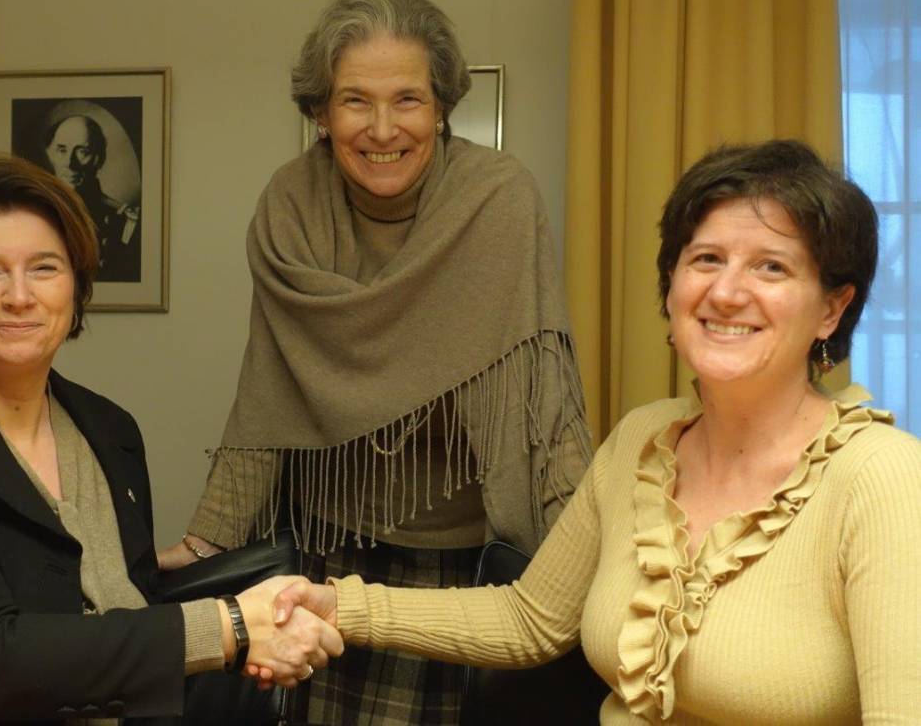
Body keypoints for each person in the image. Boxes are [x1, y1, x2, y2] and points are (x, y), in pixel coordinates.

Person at [268, 140, 921, 723]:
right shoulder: (645, 438)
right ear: (671, 288)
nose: (726, 292)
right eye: (707, 259)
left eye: (771, 267)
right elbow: (529, 619)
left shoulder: (883, 477)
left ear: (832, 308)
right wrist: (337, 605)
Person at [157, 0, 591, 724]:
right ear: (321, 113)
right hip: (329, 551)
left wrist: (583, 553)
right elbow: (267, 392)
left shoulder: (499, 199)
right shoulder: (290, 204)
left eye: (408, 100)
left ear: (443, 107)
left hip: (468, 571)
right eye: (355, 100)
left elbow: (540, 398)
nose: (383, 128)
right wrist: (207, 542)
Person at [0, 155, 341, 725]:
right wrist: (231, 627)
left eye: (45, 268)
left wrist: (261, 630)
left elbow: (126, 617)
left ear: (76, 290)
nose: (19, 296)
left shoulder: (111, 431)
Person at [43, 113, 142, 283]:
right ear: (50, 154)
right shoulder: (32, 216)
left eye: (83, 151)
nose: (69, 162)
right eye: (62, 150)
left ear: (99, 158)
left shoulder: (124, 221)